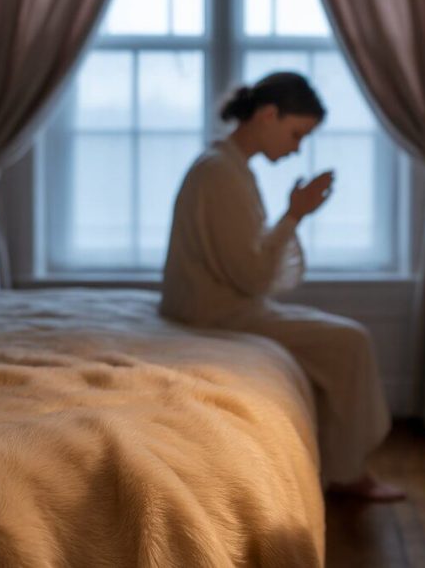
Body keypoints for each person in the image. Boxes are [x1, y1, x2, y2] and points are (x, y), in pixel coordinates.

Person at [160, 71, 404, 501]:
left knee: (342, 340)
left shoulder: (226, 167)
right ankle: (347, 475)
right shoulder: (219, 173)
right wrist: (295, 214)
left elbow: (246, 265)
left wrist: (294, 213)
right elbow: (251, 275)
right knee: (350, 342)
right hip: (215, 314)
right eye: (296, 134)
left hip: (218, 304)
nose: (296, 149)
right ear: (268, 115)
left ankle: (340, 465)